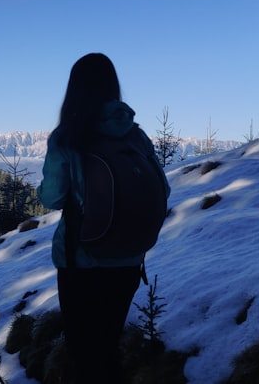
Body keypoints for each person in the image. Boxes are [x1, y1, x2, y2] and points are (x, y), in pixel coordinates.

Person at [37, 52, 170, 384]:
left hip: (82, 259)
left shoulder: (69, 137)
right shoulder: (134, 133)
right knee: (108, 347)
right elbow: (162, 188)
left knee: (84, 353)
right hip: (128, 258)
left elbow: (52, 197)